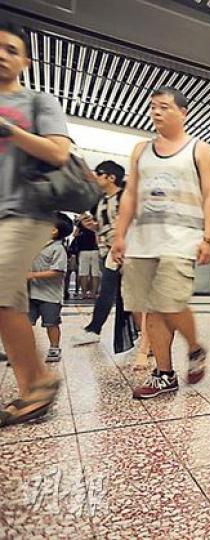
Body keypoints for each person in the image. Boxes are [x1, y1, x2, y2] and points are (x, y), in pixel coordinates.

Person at [111, 86, 210, 399]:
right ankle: (165, 374)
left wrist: (208, 237)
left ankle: (196, 348)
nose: (157, 112)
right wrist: (120, 235)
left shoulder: (199, 150)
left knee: (169, 302)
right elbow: (130, 195)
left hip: (181, 238)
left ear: (183, 113)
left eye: (164, 107)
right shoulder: (140, 151)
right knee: (150, 311)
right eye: (153, 107)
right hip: (142, 241)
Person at [0, 21, 69, 426]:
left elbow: (59, 153)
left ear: (25, 60)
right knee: (10, 300)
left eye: (11, 50)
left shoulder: (38, 102)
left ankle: (39, 382)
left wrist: (9, 129)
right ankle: (32, 392)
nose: (2, 55)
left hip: (26, 211)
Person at [71, 160, 126, 346]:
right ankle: (143, 334)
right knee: (118, 293)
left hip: (123, 252)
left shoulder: (125, 198)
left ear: (111, 177)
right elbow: (104, 227)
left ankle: (94, 328)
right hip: (107, 252)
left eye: (99, 173)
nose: (95, 177)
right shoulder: (102, 201)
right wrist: (93, 227)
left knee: (111, 292)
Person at [28, 213, 72, 362]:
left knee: (51, 323)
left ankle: (54, 347)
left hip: (50, 296)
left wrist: (31, 275)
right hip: (31, 293)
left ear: (53, 230)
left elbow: (57, 272)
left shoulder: (58, 249)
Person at [73, 219, 100, 299]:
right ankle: (85, 293)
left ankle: (92, 293)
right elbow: (75, 235)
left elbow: (97, 238)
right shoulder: (81, 227)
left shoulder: (93, 224)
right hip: (86, 251)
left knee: (94, 273)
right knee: (84, 273)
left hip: (93, 251)